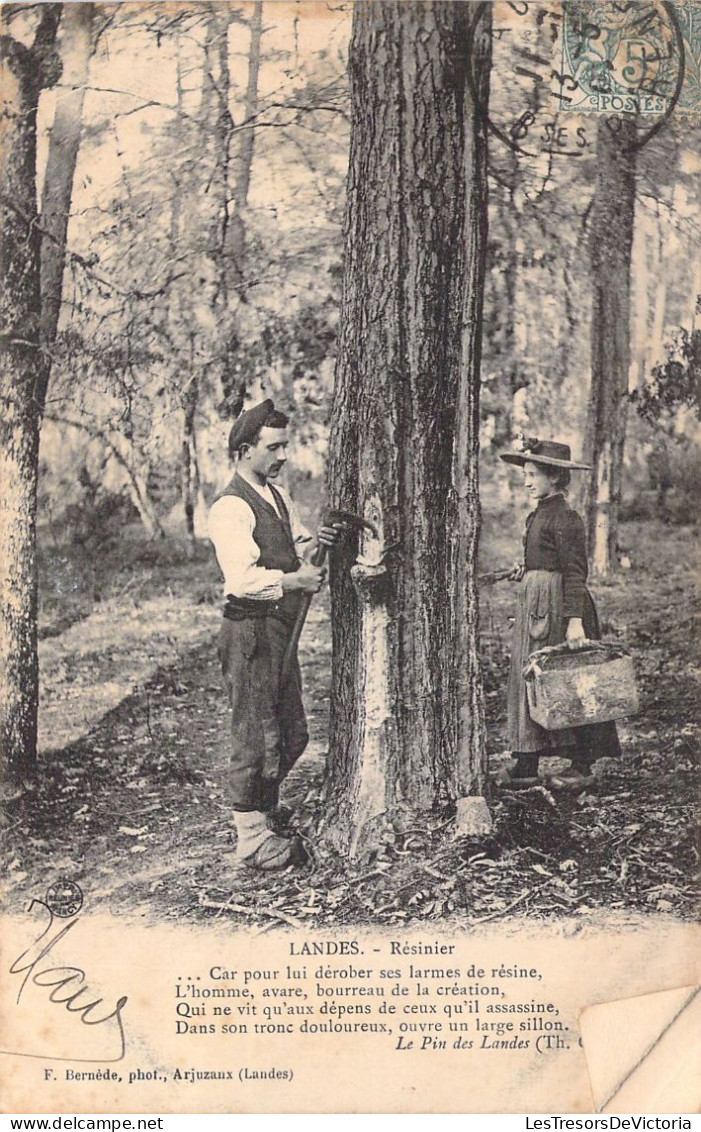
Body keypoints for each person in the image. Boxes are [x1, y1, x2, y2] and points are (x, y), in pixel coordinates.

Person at [208, 399, 343, 870]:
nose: (283, 456)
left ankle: (262, 809)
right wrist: (293, 581)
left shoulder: (275, 496)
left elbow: (294, 541)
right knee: (255, 734)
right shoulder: (230, 508)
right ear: (246, 450)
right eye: (274, 447)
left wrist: (314, 545)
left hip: (278, 630)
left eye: (285, 446)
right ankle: (249, 837)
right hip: (248, 632)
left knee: (293, 733)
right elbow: (241, 579)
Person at [499, 436, 622, 789]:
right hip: (535, 607)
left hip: (559, 609)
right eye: (526, 473)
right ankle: (526, 763)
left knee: (568, 680)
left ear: (555, 478)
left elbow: (573, 573)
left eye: (534, 474)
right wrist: (529, 571)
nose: (527, 481)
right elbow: (545, 559)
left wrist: (574, 621)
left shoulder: (567, 518)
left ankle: (581, 766)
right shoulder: (539, 514)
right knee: (531, 680)